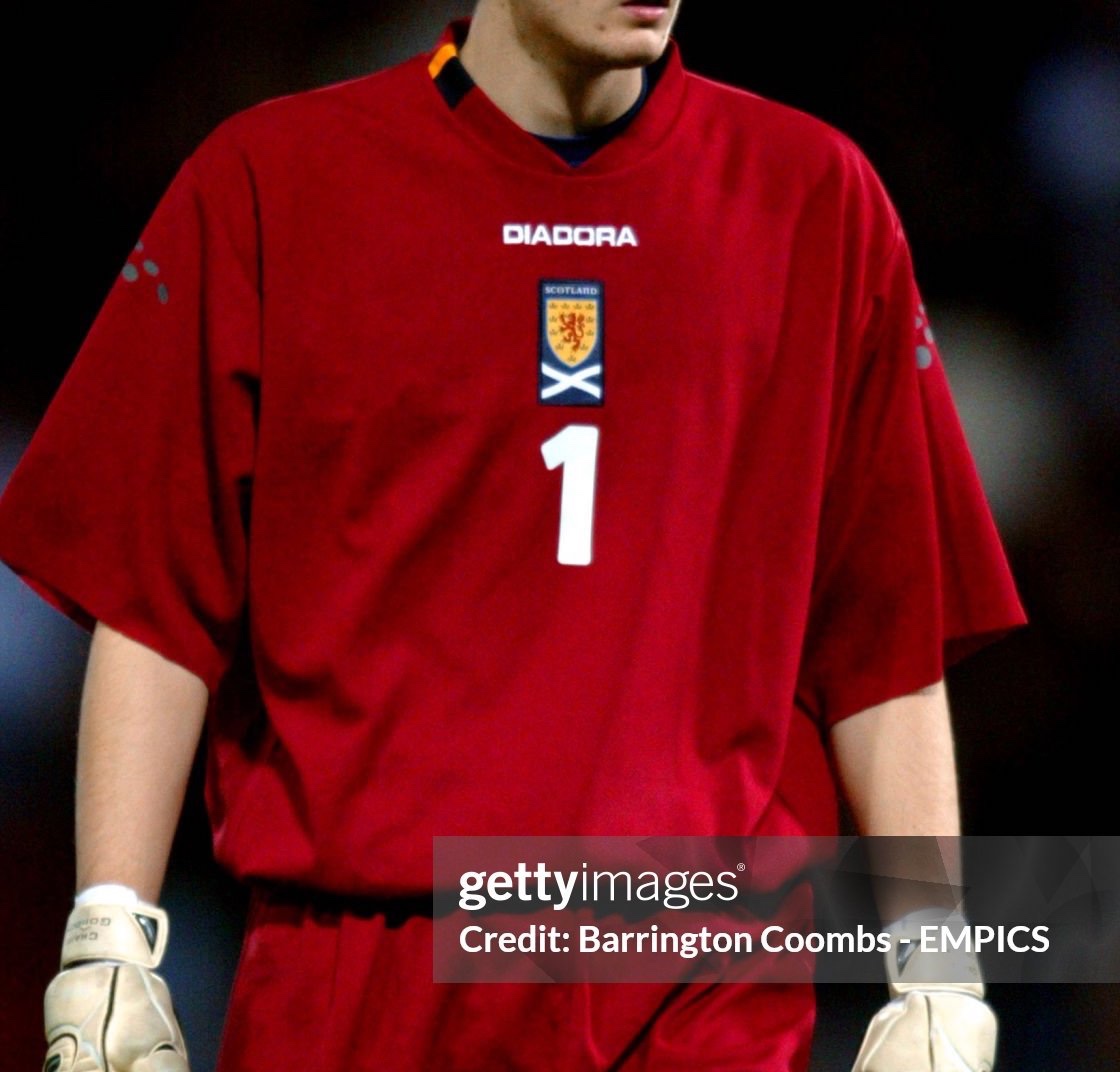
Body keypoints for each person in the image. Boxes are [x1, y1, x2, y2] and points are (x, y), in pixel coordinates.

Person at [0, 1, 1025, 1069]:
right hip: (358, 974)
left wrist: (935, 958)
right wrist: (109, 929)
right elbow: (160, 594)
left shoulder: (814, 197)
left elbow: (882, 638)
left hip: (701, 978)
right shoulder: (274, 178)